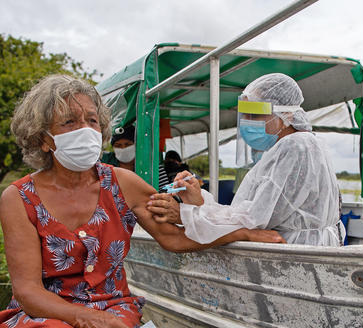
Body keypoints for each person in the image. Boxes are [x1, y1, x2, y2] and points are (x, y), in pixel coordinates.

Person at [0, 74, 284, 328]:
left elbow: (175, 237)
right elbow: (28, 290)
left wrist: (233, 227)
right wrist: (84, 319)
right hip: (45, 314)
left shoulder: (122, 184)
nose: (86, 131)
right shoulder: (19, 198)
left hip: (114, 306)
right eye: (69, 123)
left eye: (92, 121)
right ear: (44, 139)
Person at [147, 73, 345, 246]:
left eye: (256, 114)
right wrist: (199, 201)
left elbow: (254, 220)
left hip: (296, 251)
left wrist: (186, 214)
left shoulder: (295, 146)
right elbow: (249, 212)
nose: (248, 121)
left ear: (286, 113)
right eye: (246, 114)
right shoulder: (299, 145)